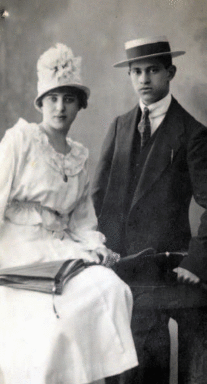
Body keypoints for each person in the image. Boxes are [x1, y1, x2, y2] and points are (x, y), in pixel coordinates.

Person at [0, 43, 138, 384]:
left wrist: (94, 244)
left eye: (68, 98)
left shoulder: (78, 156)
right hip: (15, 249)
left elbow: (82, 218)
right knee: (52, 323)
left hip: (59, 248)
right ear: (41, 103)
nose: (60, 107)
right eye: (53, 98)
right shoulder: (20, 140)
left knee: (110, 288)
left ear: (80, 104)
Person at [92, 36, 207, 384]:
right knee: (117, 361)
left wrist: (196, 260)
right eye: (137, 71)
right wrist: (95, 245)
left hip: (164, 266)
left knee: (147, 359)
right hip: (117, 264)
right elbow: (97, 196)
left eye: (153, 70)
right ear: (129, 75)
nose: (144, 79)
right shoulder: (119, 126)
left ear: (170, 72)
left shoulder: (193, 133)